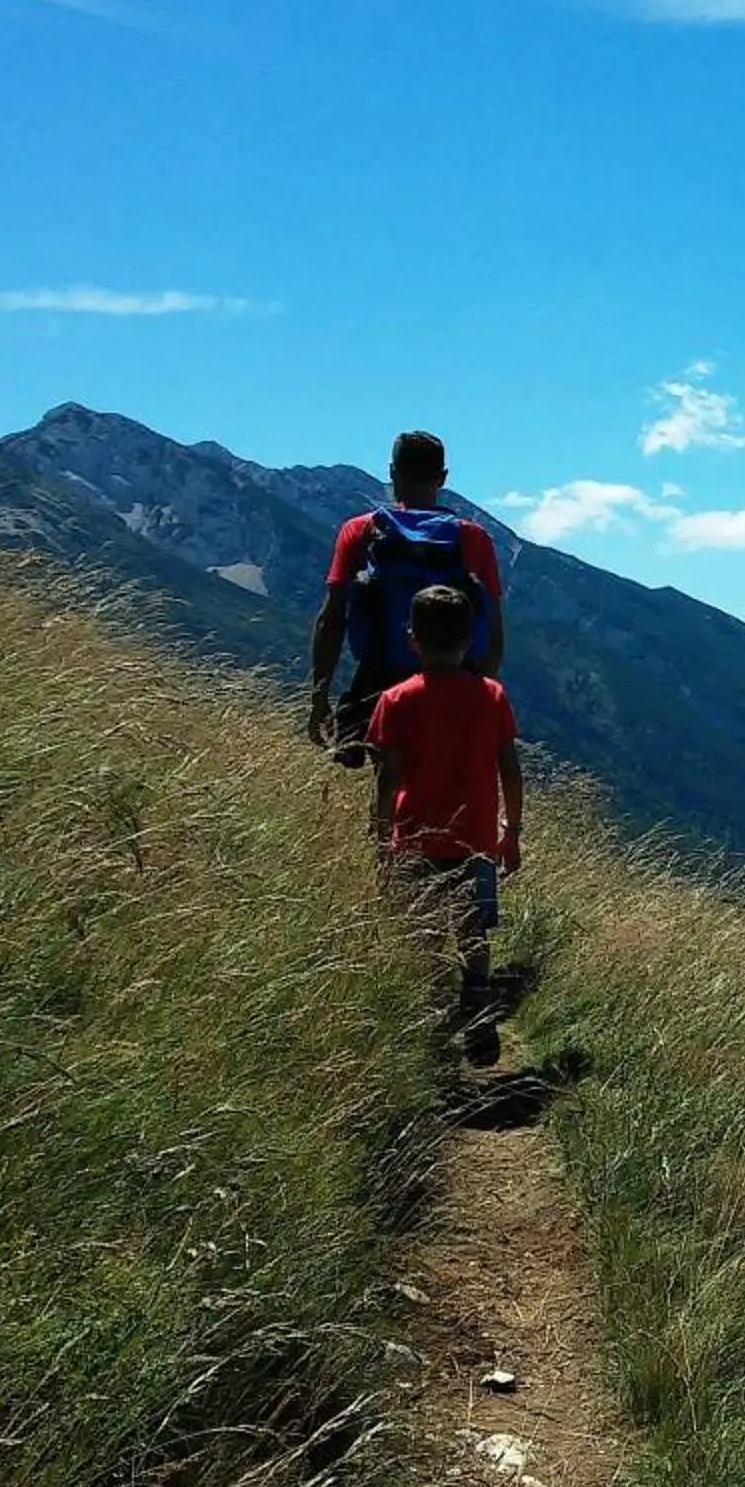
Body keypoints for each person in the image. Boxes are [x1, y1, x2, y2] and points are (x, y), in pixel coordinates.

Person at [307, 430, 507, 808]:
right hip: (455, 678)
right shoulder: (473, 539)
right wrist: (482, 694)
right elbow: (493, 632)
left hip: (377, 677)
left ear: (391, 472)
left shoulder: (361, 531)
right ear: (443, 477)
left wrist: (320, 697)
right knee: (445, 788)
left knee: (388, 784)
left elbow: (330, 620)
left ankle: (387, 859)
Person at [367, 584, 524, 1065]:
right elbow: (509, 768)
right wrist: (511, 832)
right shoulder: (491, 696)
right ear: (469, 638)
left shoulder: (395, 700)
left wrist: (380, 842)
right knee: (473, 931)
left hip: (415, 839)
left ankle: (433, 1038)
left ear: (412, 637)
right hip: (476, 841)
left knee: (425, 935)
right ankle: (478, 1012)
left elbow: (387, 779)